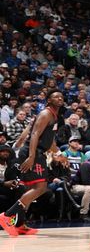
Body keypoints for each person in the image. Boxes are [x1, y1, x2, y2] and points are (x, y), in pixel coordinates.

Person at [0, 89, 67, 236]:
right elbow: (35, 135)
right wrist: (31, 157)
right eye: (56, 96)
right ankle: (6, 216)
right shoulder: (46, 113)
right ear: (49, 100)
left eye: (61, 96)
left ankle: (20, 224)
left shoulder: (54, 116)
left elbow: (48, 141)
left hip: (38, 152)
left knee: (32, 189)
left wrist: (60, 154)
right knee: (41, 187)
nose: (59, 98)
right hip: (33, 153)